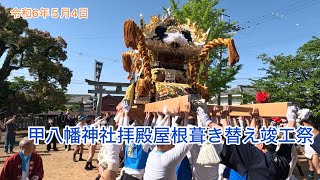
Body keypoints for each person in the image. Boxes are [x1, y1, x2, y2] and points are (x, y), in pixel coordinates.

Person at [198, 105, 297, 180]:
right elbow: (287, 141)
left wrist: (210, 121)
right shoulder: (281, 162)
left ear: (261, 145)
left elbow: (231, 137)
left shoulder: (256, 159)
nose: (252, 143)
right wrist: (292, 120)